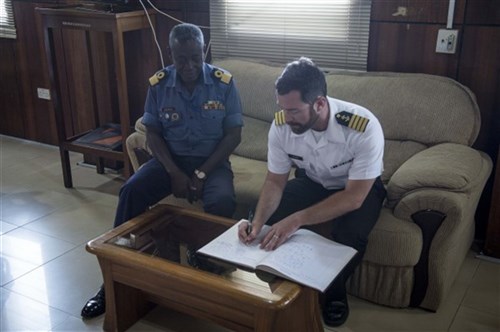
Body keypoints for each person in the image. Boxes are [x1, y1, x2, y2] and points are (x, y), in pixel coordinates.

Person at [81, 23, 243, 319]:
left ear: (203, 50)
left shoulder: (224, 83)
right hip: (171, 159)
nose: (189, 65)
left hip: (212, 163)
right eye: (181, 59)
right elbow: (152, 133)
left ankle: (207, 263)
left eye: (195, 57)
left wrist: (202, 174)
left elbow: (233, 135)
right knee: (131, 190)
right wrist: (173, 172)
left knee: (223, 201)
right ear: (171, 54)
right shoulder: (159, 84)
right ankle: (111, 279)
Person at [238, 57, 386, 327]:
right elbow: (274, 182)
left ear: (319, 103)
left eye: (294, 110)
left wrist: (297, 219)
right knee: (265, 219)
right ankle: (283, 282)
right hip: (314, 180)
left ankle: (335, 292)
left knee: (349, 234)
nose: (286, 117)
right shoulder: (282, 125)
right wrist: (258, 221)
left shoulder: (362, 127)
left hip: (356, 187)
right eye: (282, 108)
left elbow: (354, 197)